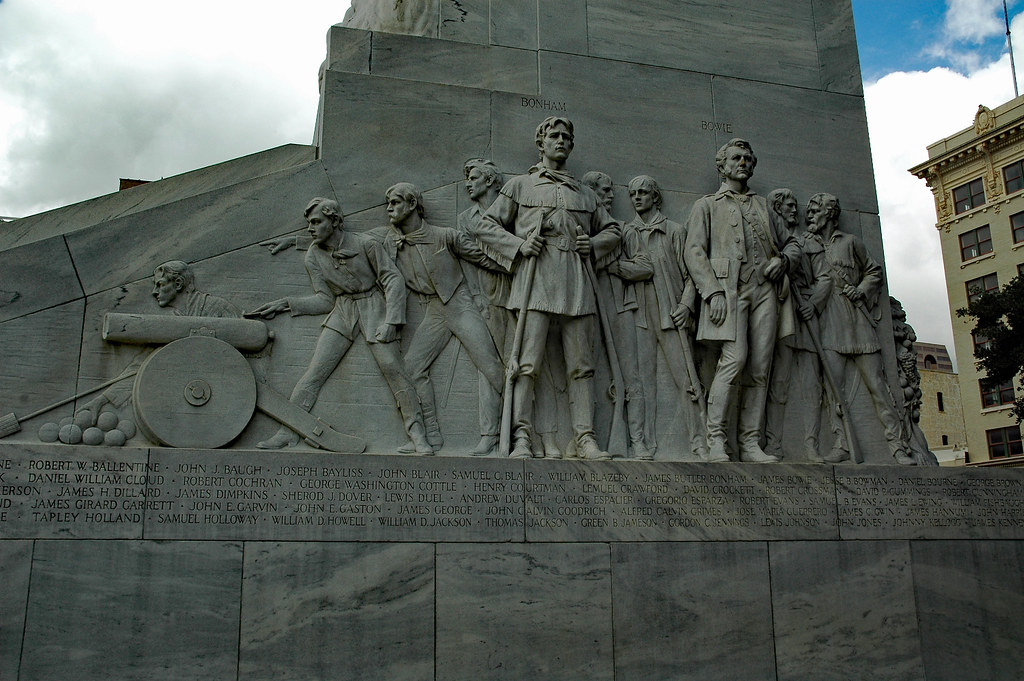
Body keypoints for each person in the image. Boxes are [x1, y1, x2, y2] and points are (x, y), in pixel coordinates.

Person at [471, 117, 621, 460]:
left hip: (576, 282)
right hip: (534, 283)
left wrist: (593, 244)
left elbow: (613, 231)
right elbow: (485, 225)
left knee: (582, 365)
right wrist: (518, 245)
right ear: (541, 143)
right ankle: (522, 436)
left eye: (567, 137)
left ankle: (585, 438)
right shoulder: (520, 186)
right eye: (554, 136)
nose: (561, 141)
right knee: (526, 363)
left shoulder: (584, 192)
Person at [249, 197, 432, 454]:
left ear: (334, 221)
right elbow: (325, 300)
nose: (310, 228)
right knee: (314, 373)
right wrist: (286, 304)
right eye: (308, 223)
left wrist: (392, 320)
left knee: (394, 370)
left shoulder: (365, 244)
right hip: (343, 310)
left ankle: (418, 436)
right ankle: (288, 432)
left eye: (316, 222)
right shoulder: (313, 255)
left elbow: (392, 279)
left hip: (373, 306)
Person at [684, 139, 800, 463]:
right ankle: (716, 439)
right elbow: (693, 252)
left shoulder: (764, 206)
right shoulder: (706, 206)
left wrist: (785, 261)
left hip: (765, 291)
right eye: (736, 157)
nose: (743, 162)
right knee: (734, 361)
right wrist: (713, 292)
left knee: (760, 368)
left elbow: (792, 243)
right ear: (722, 165)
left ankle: (750, 442)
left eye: (748, 158)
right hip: (728, 291)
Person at [375, 182, 504, 454]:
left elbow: (483, 258)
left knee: (490, 366)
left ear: (412, 204)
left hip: (459, 304)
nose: (389, 209)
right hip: (434, 310)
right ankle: (431, 435)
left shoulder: (446, 236)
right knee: (412, 369)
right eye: (388, 204)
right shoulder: (389, 242)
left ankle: (500, 432)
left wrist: (518, 265)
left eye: (395, 202)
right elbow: (356, 242)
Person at [803, 192, 914, 465]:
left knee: (878, 386)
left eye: (815, 212)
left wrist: (862, 289)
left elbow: (874, 271)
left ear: (828, 213)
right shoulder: (809, 245)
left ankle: (898, 446)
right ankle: (842, 444)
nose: (810, 217)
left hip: (858, 320)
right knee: (834, 390)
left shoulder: (851, 242)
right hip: (830, 322)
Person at [78, 260, 241, 424]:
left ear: (178, 283)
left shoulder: (216, 308)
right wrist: (102, 399)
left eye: (160, 285)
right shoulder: (174, 324)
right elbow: (142, 366)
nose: (154, 292)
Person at [621, 175, 707, 460]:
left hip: (671, 314)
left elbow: (692, 275)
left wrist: (686, 305)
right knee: (642, 383)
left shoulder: (674, 231)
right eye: (633, 193)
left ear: (655, 197)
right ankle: (642, 442)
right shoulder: (626, 233)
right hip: (639, 316)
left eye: (643, 192)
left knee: (687, 380)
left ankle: (700, 440)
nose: (637, 197)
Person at [581, 171, 652, 459]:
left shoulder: (624, 229)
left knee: (630, 377)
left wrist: (615, 268)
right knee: (589, 375)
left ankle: (636, 440)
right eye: (605, 190)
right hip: (587, 308)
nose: (611, 196)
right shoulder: (579, 233)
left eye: (611, 190)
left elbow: (646, 267)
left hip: (620, 307)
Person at [764, 189, 831, 461]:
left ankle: (811, 445)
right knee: (776, 383)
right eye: (790, 206)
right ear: (777, 209)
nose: (796, 210)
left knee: (811, 386)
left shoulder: (808, 243)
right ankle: (773, 444)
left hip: (805, 318)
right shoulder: (766, 239)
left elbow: (825, 277)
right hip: (776, 314)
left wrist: (813, 303)